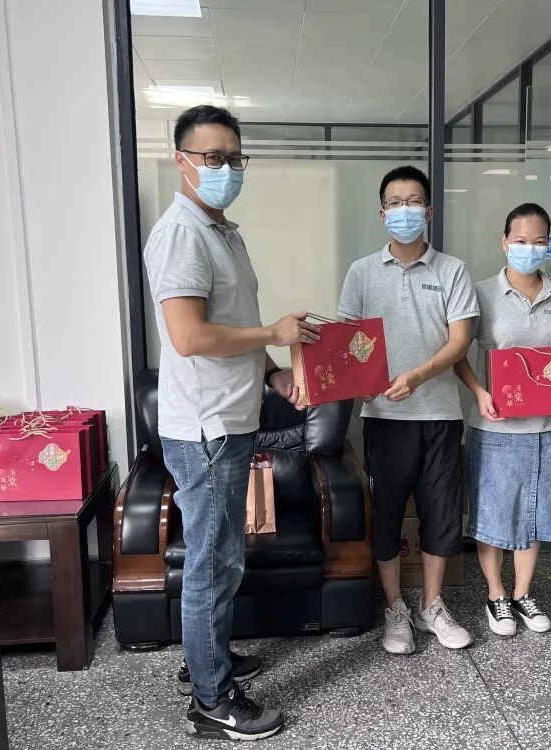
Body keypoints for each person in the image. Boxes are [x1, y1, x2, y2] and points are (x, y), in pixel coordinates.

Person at [143, 104, 320, 741]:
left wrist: (272, 371)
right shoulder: (181, 234)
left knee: (222, 557)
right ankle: (212, 700)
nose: (226, 169)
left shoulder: (223, 233)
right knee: (213, 564)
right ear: (181, 160)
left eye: (235, 158)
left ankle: (205, 662)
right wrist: (273, 334)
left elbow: (234, 322)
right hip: (206, 427)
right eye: (212, 157)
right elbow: (190, 337)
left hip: (230, 417)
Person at [337, 165, 479, 655]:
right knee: (388, 517)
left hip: (440, 415)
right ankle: (396, 608)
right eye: (395, 203)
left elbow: (460, 341)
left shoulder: (452, 270)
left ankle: (432, 605)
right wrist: (356, 382)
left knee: (441, 516)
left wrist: (418, 375)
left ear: (429, 211)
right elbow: (348, 341)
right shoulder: (361, 272)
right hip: (383, 419)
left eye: (413, 202)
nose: (405, 211)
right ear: (382, 214)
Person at [454, 203, 551, 637]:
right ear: (504, 242)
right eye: (520, 240)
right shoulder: (480, 292)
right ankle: (496, 595)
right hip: (495, 426)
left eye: (538, 241)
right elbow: (458, 353)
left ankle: (523, 593)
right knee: (493, 515)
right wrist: (480, 392)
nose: (529, 248)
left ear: (548, 244)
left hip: (545, 428)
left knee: (534, 514)